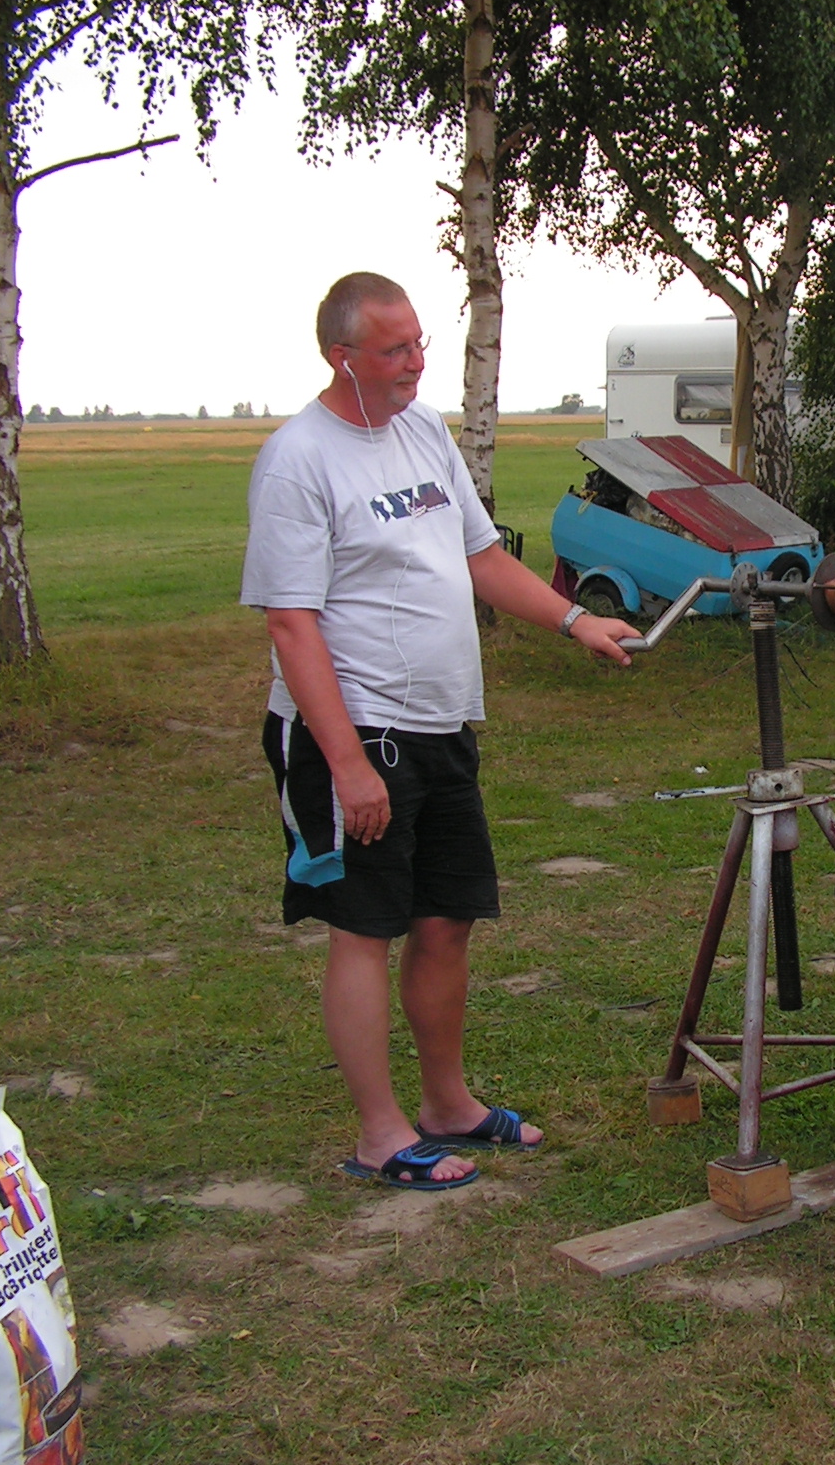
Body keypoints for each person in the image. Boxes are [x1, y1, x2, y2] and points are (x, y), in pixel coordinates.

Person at [240, 272, 641, 1188]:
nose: (418, 361)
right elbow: (291, 624)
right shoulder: (300, 459)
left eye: (421, 342)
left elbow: (481, 555)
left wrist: (574, 621)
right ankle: (381, 1136)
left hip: (440, 722)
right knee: (363, 929)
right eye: (395, 349)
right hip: (353, 733)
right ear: (343, 357)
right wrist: (345, 764)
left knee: (446, 920)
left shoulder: (422, 432)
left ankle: (446, 1105)